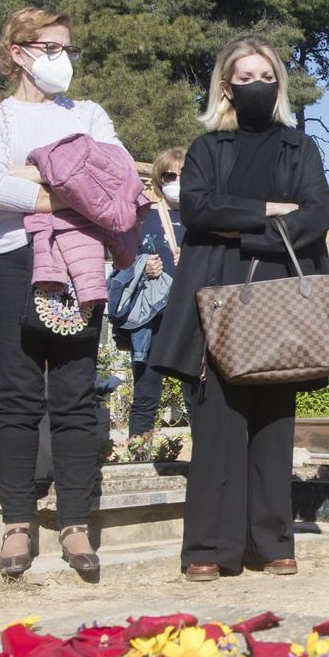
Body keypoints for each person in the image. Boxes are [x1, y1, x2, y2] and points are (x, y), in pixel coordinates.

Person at [148, 36, 329, 580]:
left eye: (266, 75)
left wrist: (245, 228)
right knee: (219, 423)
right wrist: (274, 210)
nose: (257, 85)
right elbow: (199, 209)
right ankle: (208, 548)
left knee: (274, 420)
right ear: (226, 86)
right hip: (214, 294)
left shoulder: (301, 148)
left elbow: (316, 215)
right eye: (245, 77)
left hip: (279, 292)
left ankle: (271, 541)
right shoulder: (206, 149)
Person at [0, 7, 120, 580]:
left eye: (67, 48)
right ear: (18, 52)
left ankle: (76, 522)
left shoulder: (90, 113)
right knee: (17, 393)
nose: (63, 59)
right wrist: (71, 185)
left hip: (81, 264)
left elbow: (117, 179)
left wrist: (28, 174)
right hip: (12, 261)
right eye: (50, 47)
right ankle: (16, 524)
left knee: (76, 394)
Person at [119, 146, 187, 440]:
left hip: (191, 315)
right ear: (159, 178)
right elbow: (121, 260)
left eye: (184, 174)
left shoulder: (205, 220)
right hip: (152, 317)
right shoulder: (144, 216)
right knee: (146, 392)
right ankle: (139, 456)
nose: (177, 181)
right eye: (170, 175)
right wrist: (143, 266)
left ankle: (205, 468)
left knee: (197, 394)